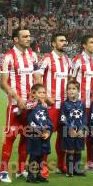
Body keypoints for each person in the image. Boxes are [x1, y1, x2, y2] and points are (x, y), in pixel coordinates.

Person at [0, 28, 43, 183]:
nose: (28, 38)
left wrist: (40, 96)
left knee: (26, 138)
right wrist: (17, 98)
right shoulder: (8, 57)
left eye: (29, 36)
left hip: (30, 107)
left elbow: (37, 79)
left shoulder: (33, 55)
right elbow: (3, 83)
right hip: (15, 106)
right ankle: (3, 171)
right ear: (15, 40)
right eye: (24, 36)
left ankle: (21, 169)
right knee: (10, 137)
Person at [38, 33, 71, 176]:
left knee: (63, 136)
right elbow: (37, 76)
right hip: (50, 106)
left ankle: (61, 164)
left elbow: (70, 79)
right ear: (53, 44)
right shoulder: (47, 58)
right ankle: (42, 167)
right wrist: (45, 97)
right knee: (46, 135)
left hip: (64, 107)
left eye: (65, 40)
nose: (64, 42)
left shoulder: (67, 61)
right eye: (61, 40)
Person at [71, 35, 93, 169]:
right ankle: (73, 163)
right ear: (84, 45)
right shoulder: (78, 60)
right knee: (78, 132)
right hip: (80, 104)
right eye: (91, 42)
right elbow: (71, 80)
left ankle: (90, 161)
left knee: (91, 133)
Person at [25, 84, 53, 184]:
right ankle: (31, 176)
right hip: (34, 136)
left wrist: (48, 131)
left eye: (44, 93)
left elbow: (48, 121)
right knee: (34, 155)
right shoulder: (30, 106)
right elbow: (30, 121)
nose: (42, 94)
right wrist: (39, 131)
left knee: (41, 156)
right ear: (34, 94)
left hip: (43, 136)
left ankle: (39, 174)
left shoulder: (44, 107)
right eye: (39, 92)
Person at [60, 80, 87, 177]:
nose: (71, 91)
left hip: (79, 131)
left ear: (78, 91)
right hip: (68, 132)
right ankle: (69, 170)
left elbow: (84, 118)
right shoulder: (64, 104)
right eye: (69, 89)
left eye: (74, 89)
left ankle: (77, 169)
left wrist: (82, 129)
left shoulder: (81, 104)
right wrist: (70, 129)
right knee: (70, 150)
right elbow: (63, 118)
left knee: (78, 149)